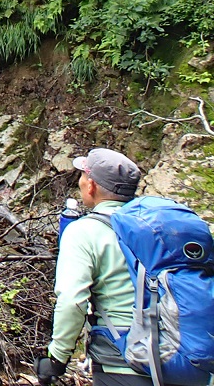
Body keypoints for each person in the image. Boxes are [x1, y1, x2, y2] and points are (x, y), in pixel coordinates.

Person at [37, 147, 147, 386]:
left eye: (83, 176)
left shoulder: (84, 231)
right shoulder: (155, 224)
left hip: (123, 362)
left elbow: (72, 300)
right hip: (184, 355)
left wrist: (56, 359)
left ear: (91, 186)